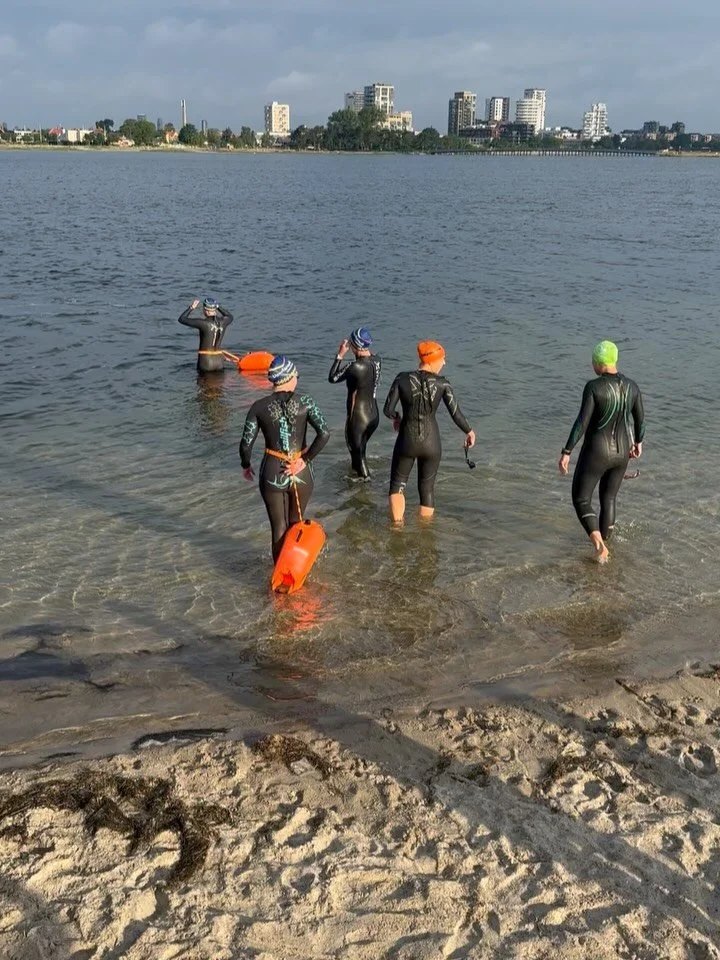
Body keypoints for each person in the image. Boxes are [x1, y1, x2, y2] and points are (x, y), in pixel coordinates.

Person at [559, 340, 645, 564]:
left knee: (580, 498)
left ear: (599, 363)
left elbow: (582, 423)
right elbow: (640, 420)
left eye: (593, 362)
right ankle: (607, 546)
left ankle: (599, 546)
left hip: (597, 451)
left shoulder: (594, 387)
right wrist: (638, 442)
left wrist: (567, 451)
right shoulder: (633, 386)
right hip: (622, 453)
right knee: (609, 498)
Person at [240, 355, 330, 560]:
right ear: (289, 377)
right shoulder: (306, 402)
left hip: (272, 469)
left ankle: (278, 580)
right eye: (296, 374)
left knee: (278, 528)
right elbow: (324, 433)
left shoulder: (258, 406)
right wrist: (304, 461)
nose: (297, 377)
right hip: (301, 469)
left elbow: (246, 445)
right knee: (296, 524)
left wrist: (246, 465)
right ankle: (295, 573)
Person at [383, 340, 475, 524]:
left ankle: (398, 528)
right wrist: (469, 432)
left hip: (407, 441)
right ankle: (425, 535)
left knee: (397, 486)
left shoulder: (401, 379)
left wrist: (397, 418)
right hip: (432, 443)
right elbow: (456, 413)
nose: (444, 363)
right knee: (427, 489)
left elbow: (388, 409)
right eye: (443, 359)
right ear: (433, 360)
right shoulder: (443, 384)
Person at [328, 327, 382, 480]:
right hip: (373, 416)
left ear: (355, 346)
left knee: (358, 454)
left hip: (358, 418)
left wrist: (340, 355)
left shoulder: (355, 367)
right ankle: (356, 479)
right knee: (358, 452)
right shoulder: (377, 360)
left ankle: (366, 489)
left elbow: (332, 377)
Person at [178, 297, 233, 373]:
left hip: (206, 363)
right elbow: (230, 316)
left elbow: (182, 319)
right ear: (214, 309)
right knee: (219, 384)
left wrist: (191, 308)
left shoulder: (203, 323)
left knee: (204, 384)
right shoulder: (224, 321)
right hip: (219, 362)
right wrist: (218, 307)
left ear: (205, 310)